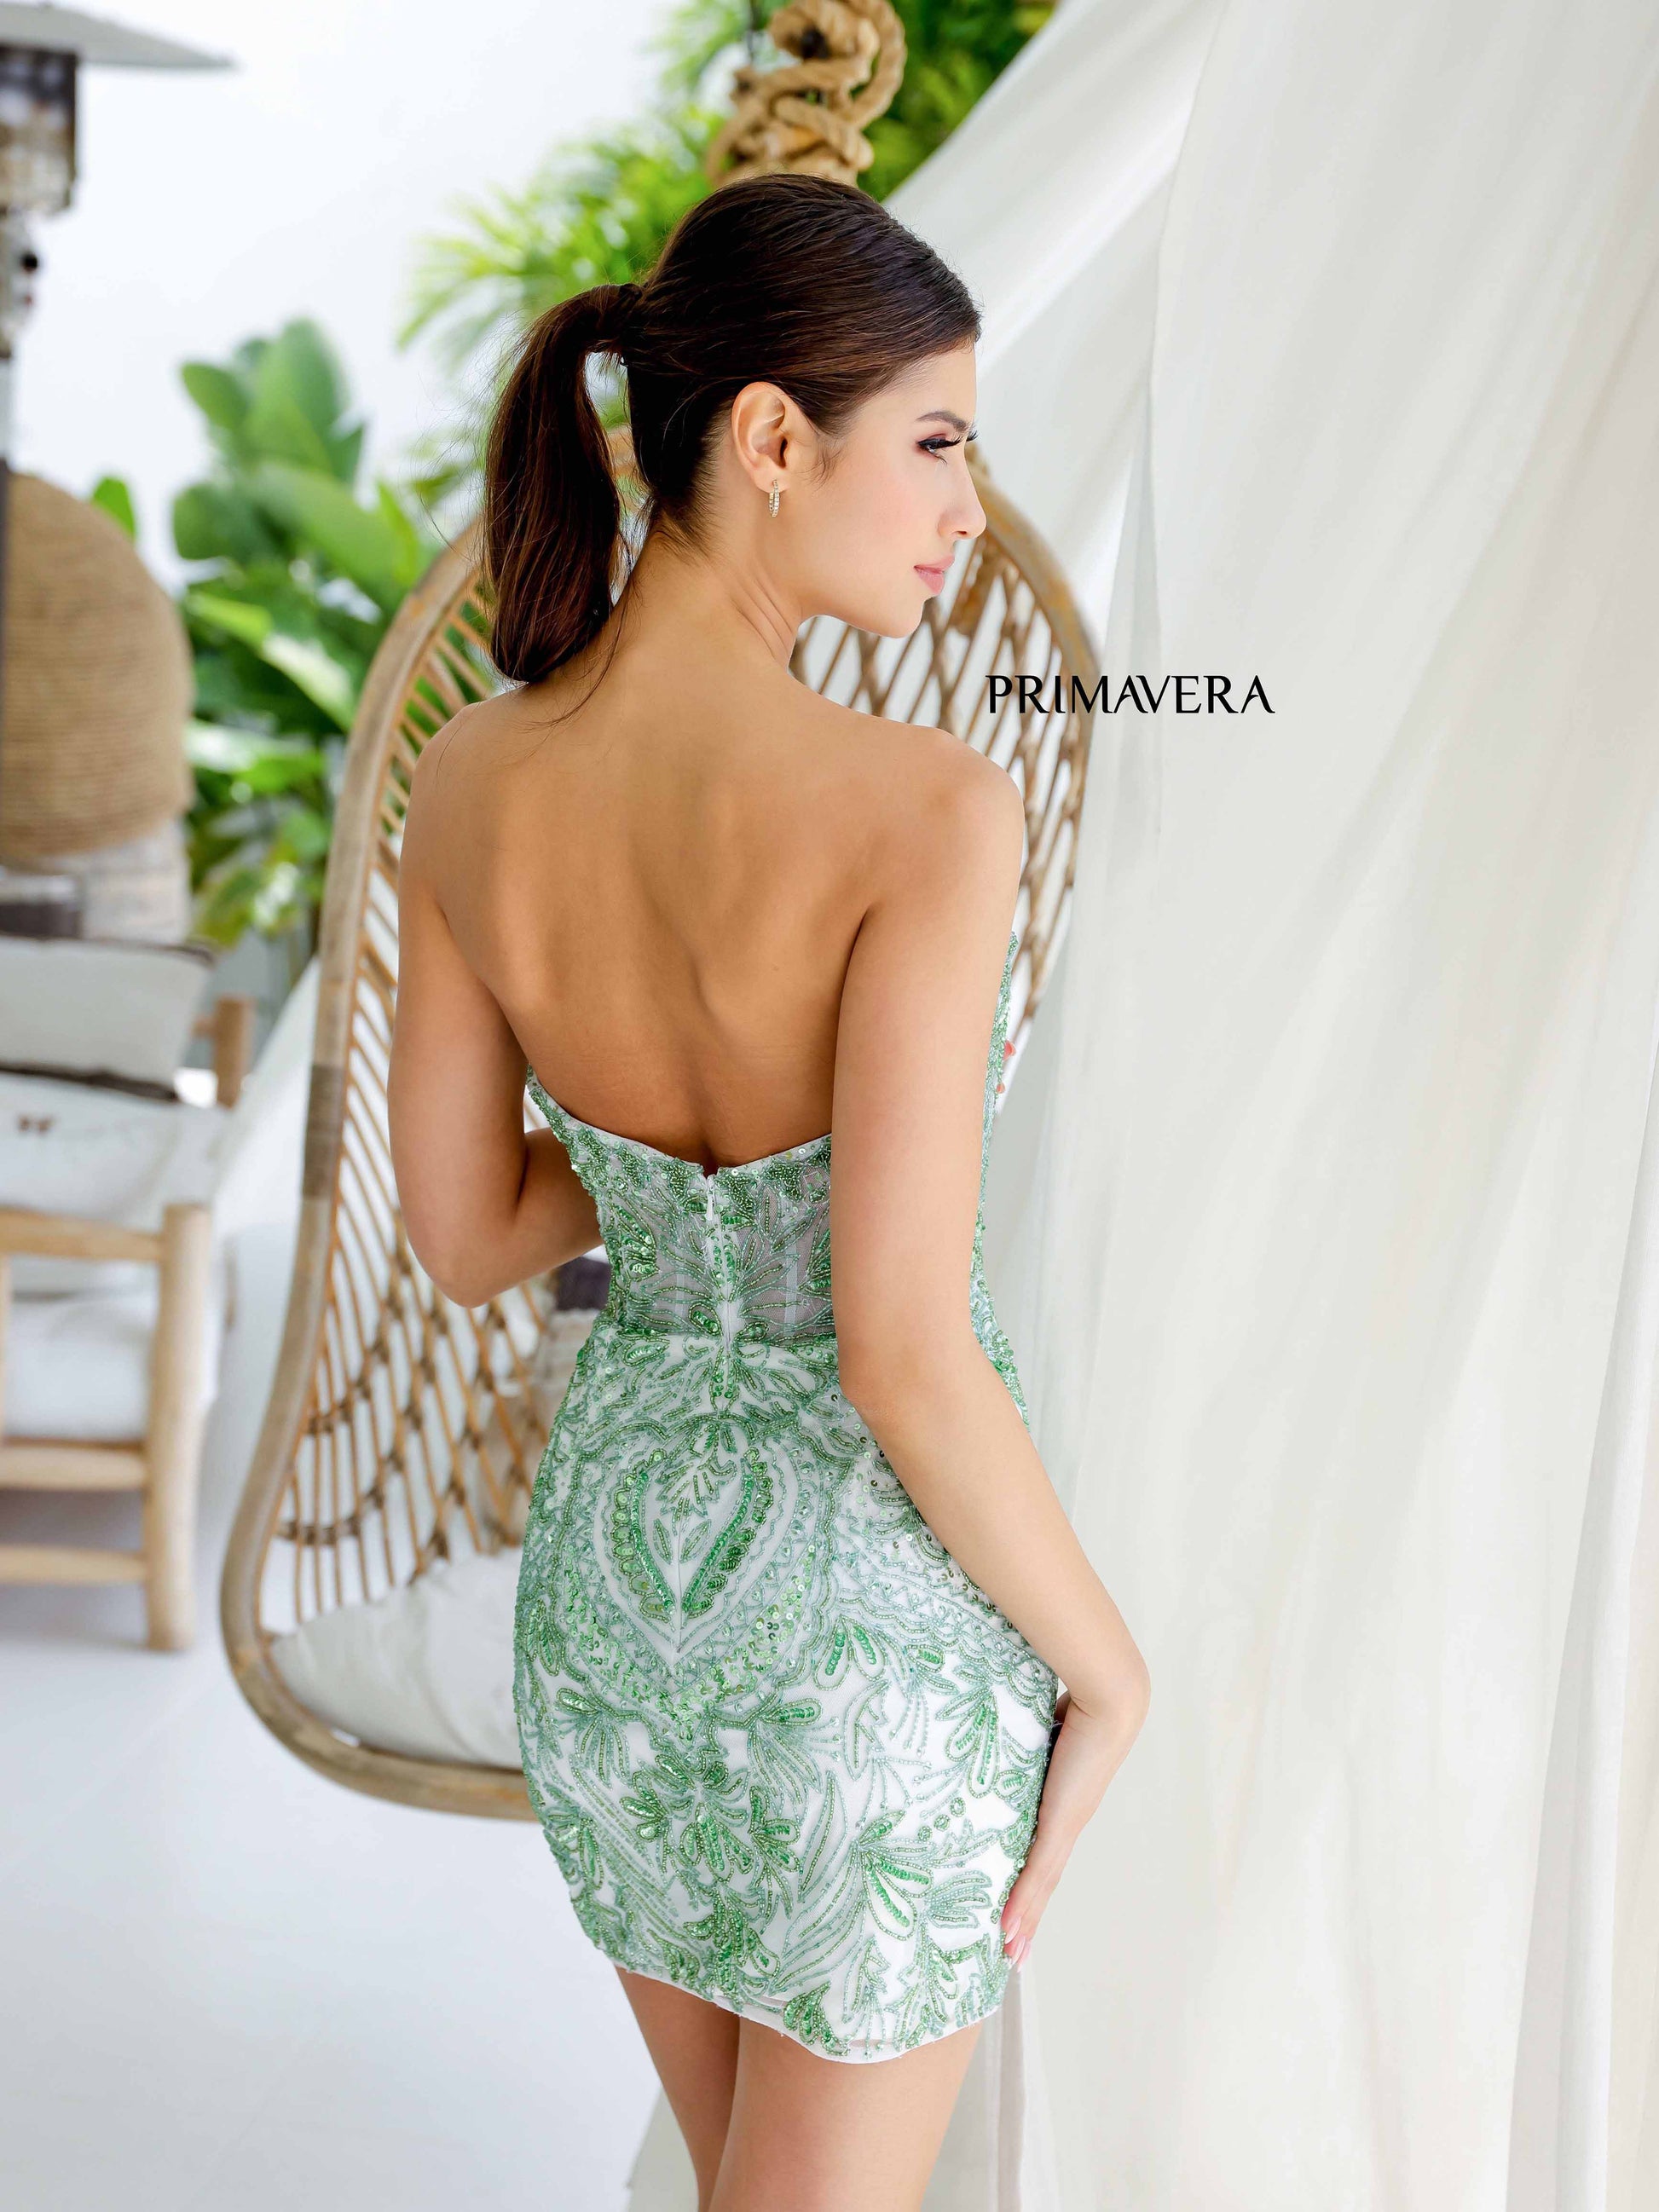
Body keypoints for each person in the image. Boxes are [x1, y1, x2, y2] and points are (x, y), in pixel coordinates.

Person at [386, 171, 1149, 2212]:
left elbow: (463, 1229)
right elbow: (899, 1350)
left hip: (618, 1614)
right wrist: (1107, 1664)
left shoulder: (472, 781)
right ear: (770, 438)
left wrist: (665, 1179)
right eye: (938, 442)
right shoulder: (927, 810)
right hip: (857, 1625)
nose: (965, 507)